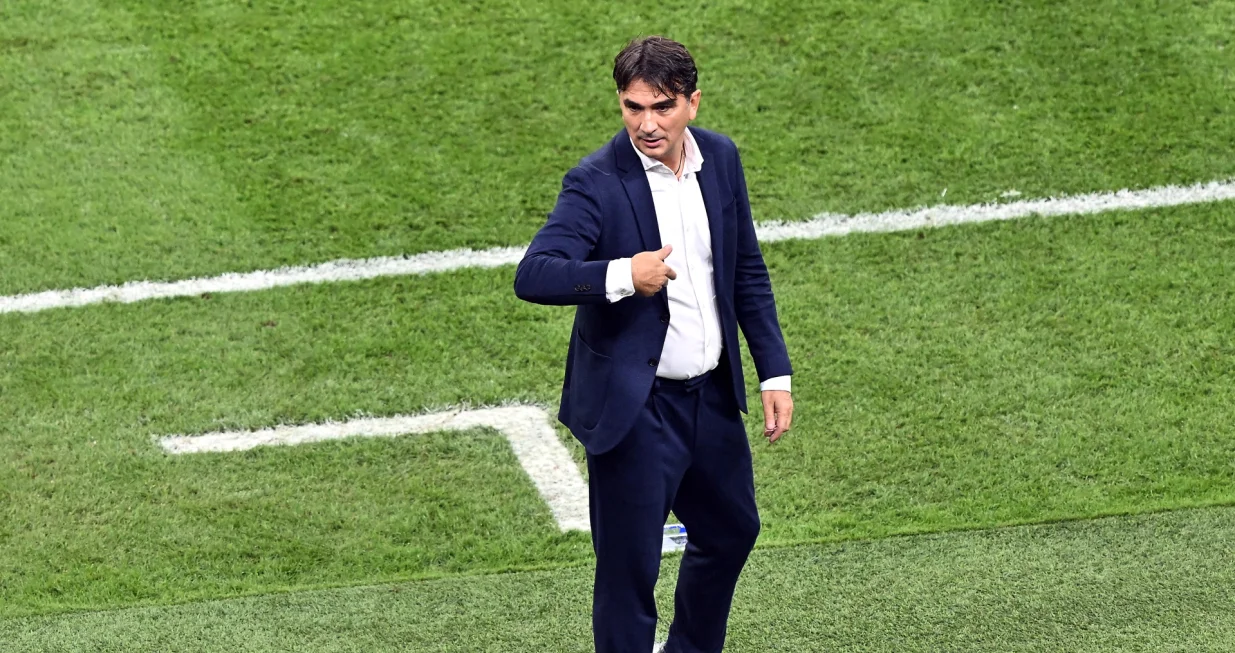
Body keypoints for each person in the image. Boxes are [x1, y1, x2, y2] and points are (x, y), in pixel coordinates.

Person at [513, 35, 794, 653]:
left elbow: (745, 267)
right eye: (633, 107)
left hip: (710, 400)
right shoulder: (594, 182)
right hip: (635, 411)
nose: (647, 124)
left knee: (731, 530)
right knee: (629, 574)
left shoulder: (721, 158)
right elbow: (533, 274)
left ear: (693, 102)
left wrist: (773, 372)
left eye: (662, 107)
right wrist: (621, 275)